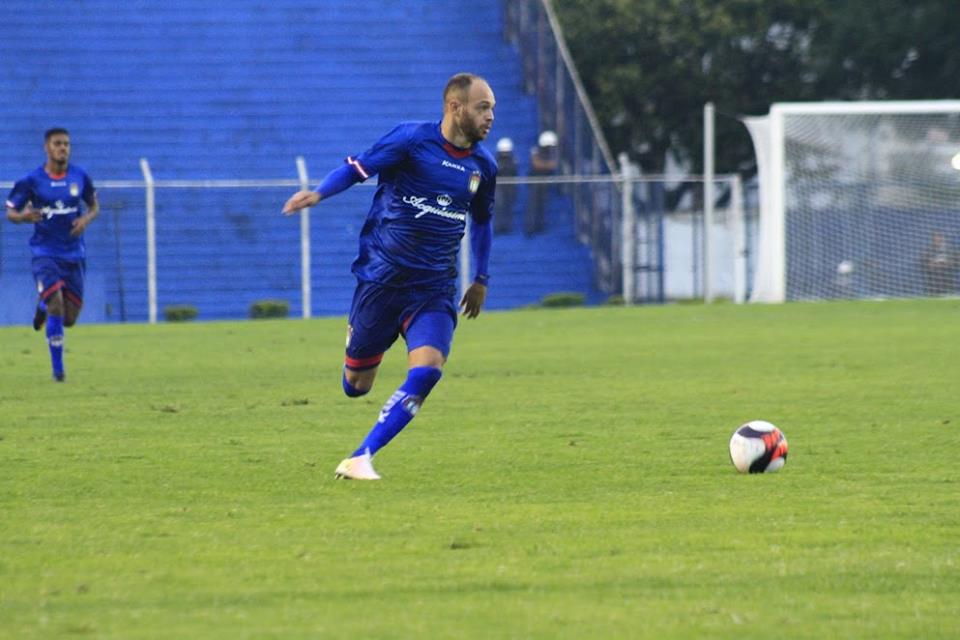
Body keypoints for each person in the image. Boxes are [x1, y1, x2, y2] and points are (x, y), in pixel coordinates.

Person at [281, 72, 496, 480]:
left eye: (492, 109)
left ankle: (362, 456)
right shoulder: (411, 140)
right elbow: (356, 169)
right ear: (455, 107)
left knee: (428, 369)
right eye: (482, 107)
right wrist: (318, 193)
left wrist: (481, 279)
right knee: (356, 385)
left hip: (433, 288)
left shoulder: (483, 166)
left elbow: (483, 221)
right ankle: (359, 343)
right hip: (381, 281)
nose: (490, 117)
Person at [5, 128, 99, 382]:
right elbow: (11, 212)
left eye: (66, 144)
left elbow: (94, 206)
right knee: (57, 303)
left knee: (68, 319)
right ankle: (58, 371)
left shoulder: (80, 176)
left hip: (74, 254)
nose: (63, 148)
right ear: (46, 147)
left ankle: (43, 305)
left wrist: (85, 219)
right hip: (44, 253)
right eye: (57, 144)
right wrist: (23, 217)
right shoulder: (32, 180)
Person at [526, 129, 558, 236]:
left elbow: (553, 165)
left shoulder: (551, 154)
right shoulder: (535, 151)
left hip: (544, 183)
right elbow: (537, 164)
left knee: (542, 206)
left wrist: (546, 165)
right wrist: (546, 165)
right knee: (533, 206)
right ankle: (530, 228)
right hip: (534, 183)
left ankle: (539, 226)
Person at [919, 231, 960, 295]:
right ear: (932, 240)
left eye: (939, 237)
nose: (937, 240)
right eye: (935, 238)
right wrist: (932, 264)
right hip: (933, 283)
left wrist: (947, 263)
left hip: (947, 281)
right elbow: (922, 264)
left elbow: (957, 262)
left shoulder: (951, 251)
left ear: (942, 238)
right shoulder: (927, 252)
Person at [493, 137, 517, 234]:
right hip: (498, 187)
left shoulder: (513, 160)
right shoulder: (495, 160)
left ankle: (507, 226)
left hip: (510, 186)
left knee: (508, 206)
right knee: (498, 206)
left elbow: (513, 171)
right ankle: (498, 226)